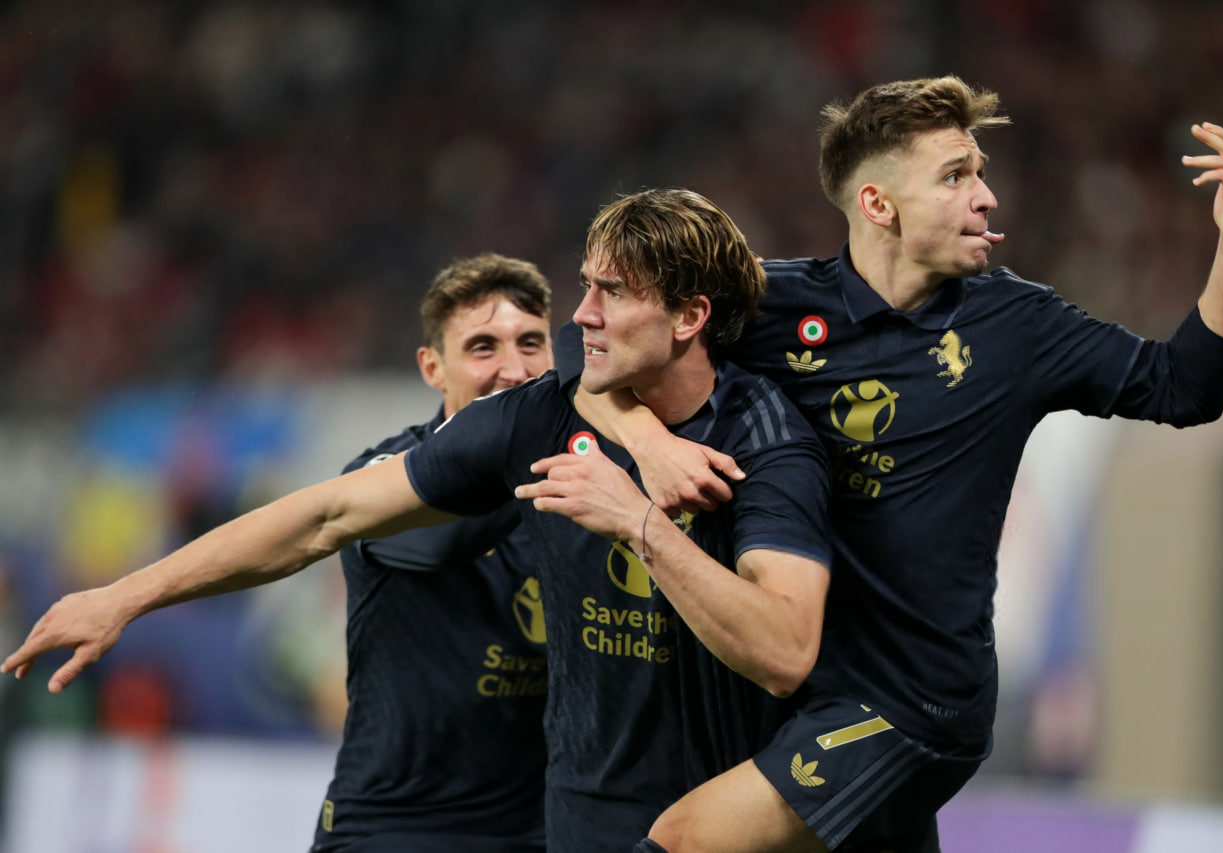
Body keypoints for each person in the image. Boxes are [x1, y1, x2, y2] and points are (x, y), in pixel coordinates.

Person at [4, 188, 835, 853]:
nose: (573, 322)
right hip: (419, 827)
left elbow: (783, 648)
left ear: (687, 317)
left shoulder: (752, 439)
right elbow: (322, 517)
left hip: (606, 825)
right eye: (482, 347)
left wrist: (636, 485)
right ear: (430, 367)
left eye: (603, 296)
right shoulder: (497, 440)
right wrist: (124, 595)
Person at [554, 75, 1223, 851]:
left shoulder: (1017, 325)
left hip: (910, 703)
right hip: (801, 695)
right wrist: (649, 443)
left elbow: (1184, 387)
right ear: (878, 204)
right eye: (955, 176)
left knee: (684, 838)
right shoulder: (771, 305)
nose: (986, 196)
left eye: (980, 172)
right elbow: (584, 345)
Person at [313, 253, 554, 852]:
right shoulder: (380, 475)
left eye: (531, 343)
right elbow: (443, 539)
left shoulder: (586, 485)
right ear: (433, 368)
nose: (514, 369)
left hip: (540, 832)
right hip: (395, 828)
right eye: (482, 347)